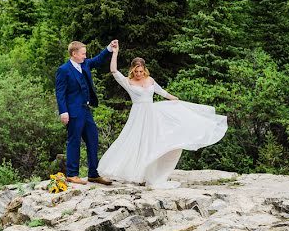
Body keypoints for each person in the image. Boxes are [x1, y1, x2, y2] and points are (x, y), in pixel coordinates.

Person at [97, 42, 227, 187]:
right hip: (138, 115)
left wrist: (174, 99)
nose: (138, 74)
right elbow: (114, 71)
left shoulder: (150, 80)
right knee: (135, 141)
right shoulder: (128, 82)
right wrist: (115, 53)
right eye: (136, 71)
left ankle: (149, 174)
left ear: (144, 69)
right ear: (132, 70)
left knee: (152, 142)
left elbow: (161, 92)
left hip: (152, 113)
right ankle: (135, 173)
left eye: (141, 71)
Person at [55, 40, 117, 185]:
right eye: (83, 53)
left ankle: (93, 174)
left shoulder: (85, 64)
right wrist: (63, 111)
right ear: (74, 54)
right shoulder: (64, 70)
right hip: (73, 112)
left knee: (93, 140)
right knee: (74, 141)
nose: (85, 56)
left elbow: (97, 60)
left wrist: (109, 48)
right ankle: (72, 174)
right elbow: (60, 92)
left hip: (86, 110)